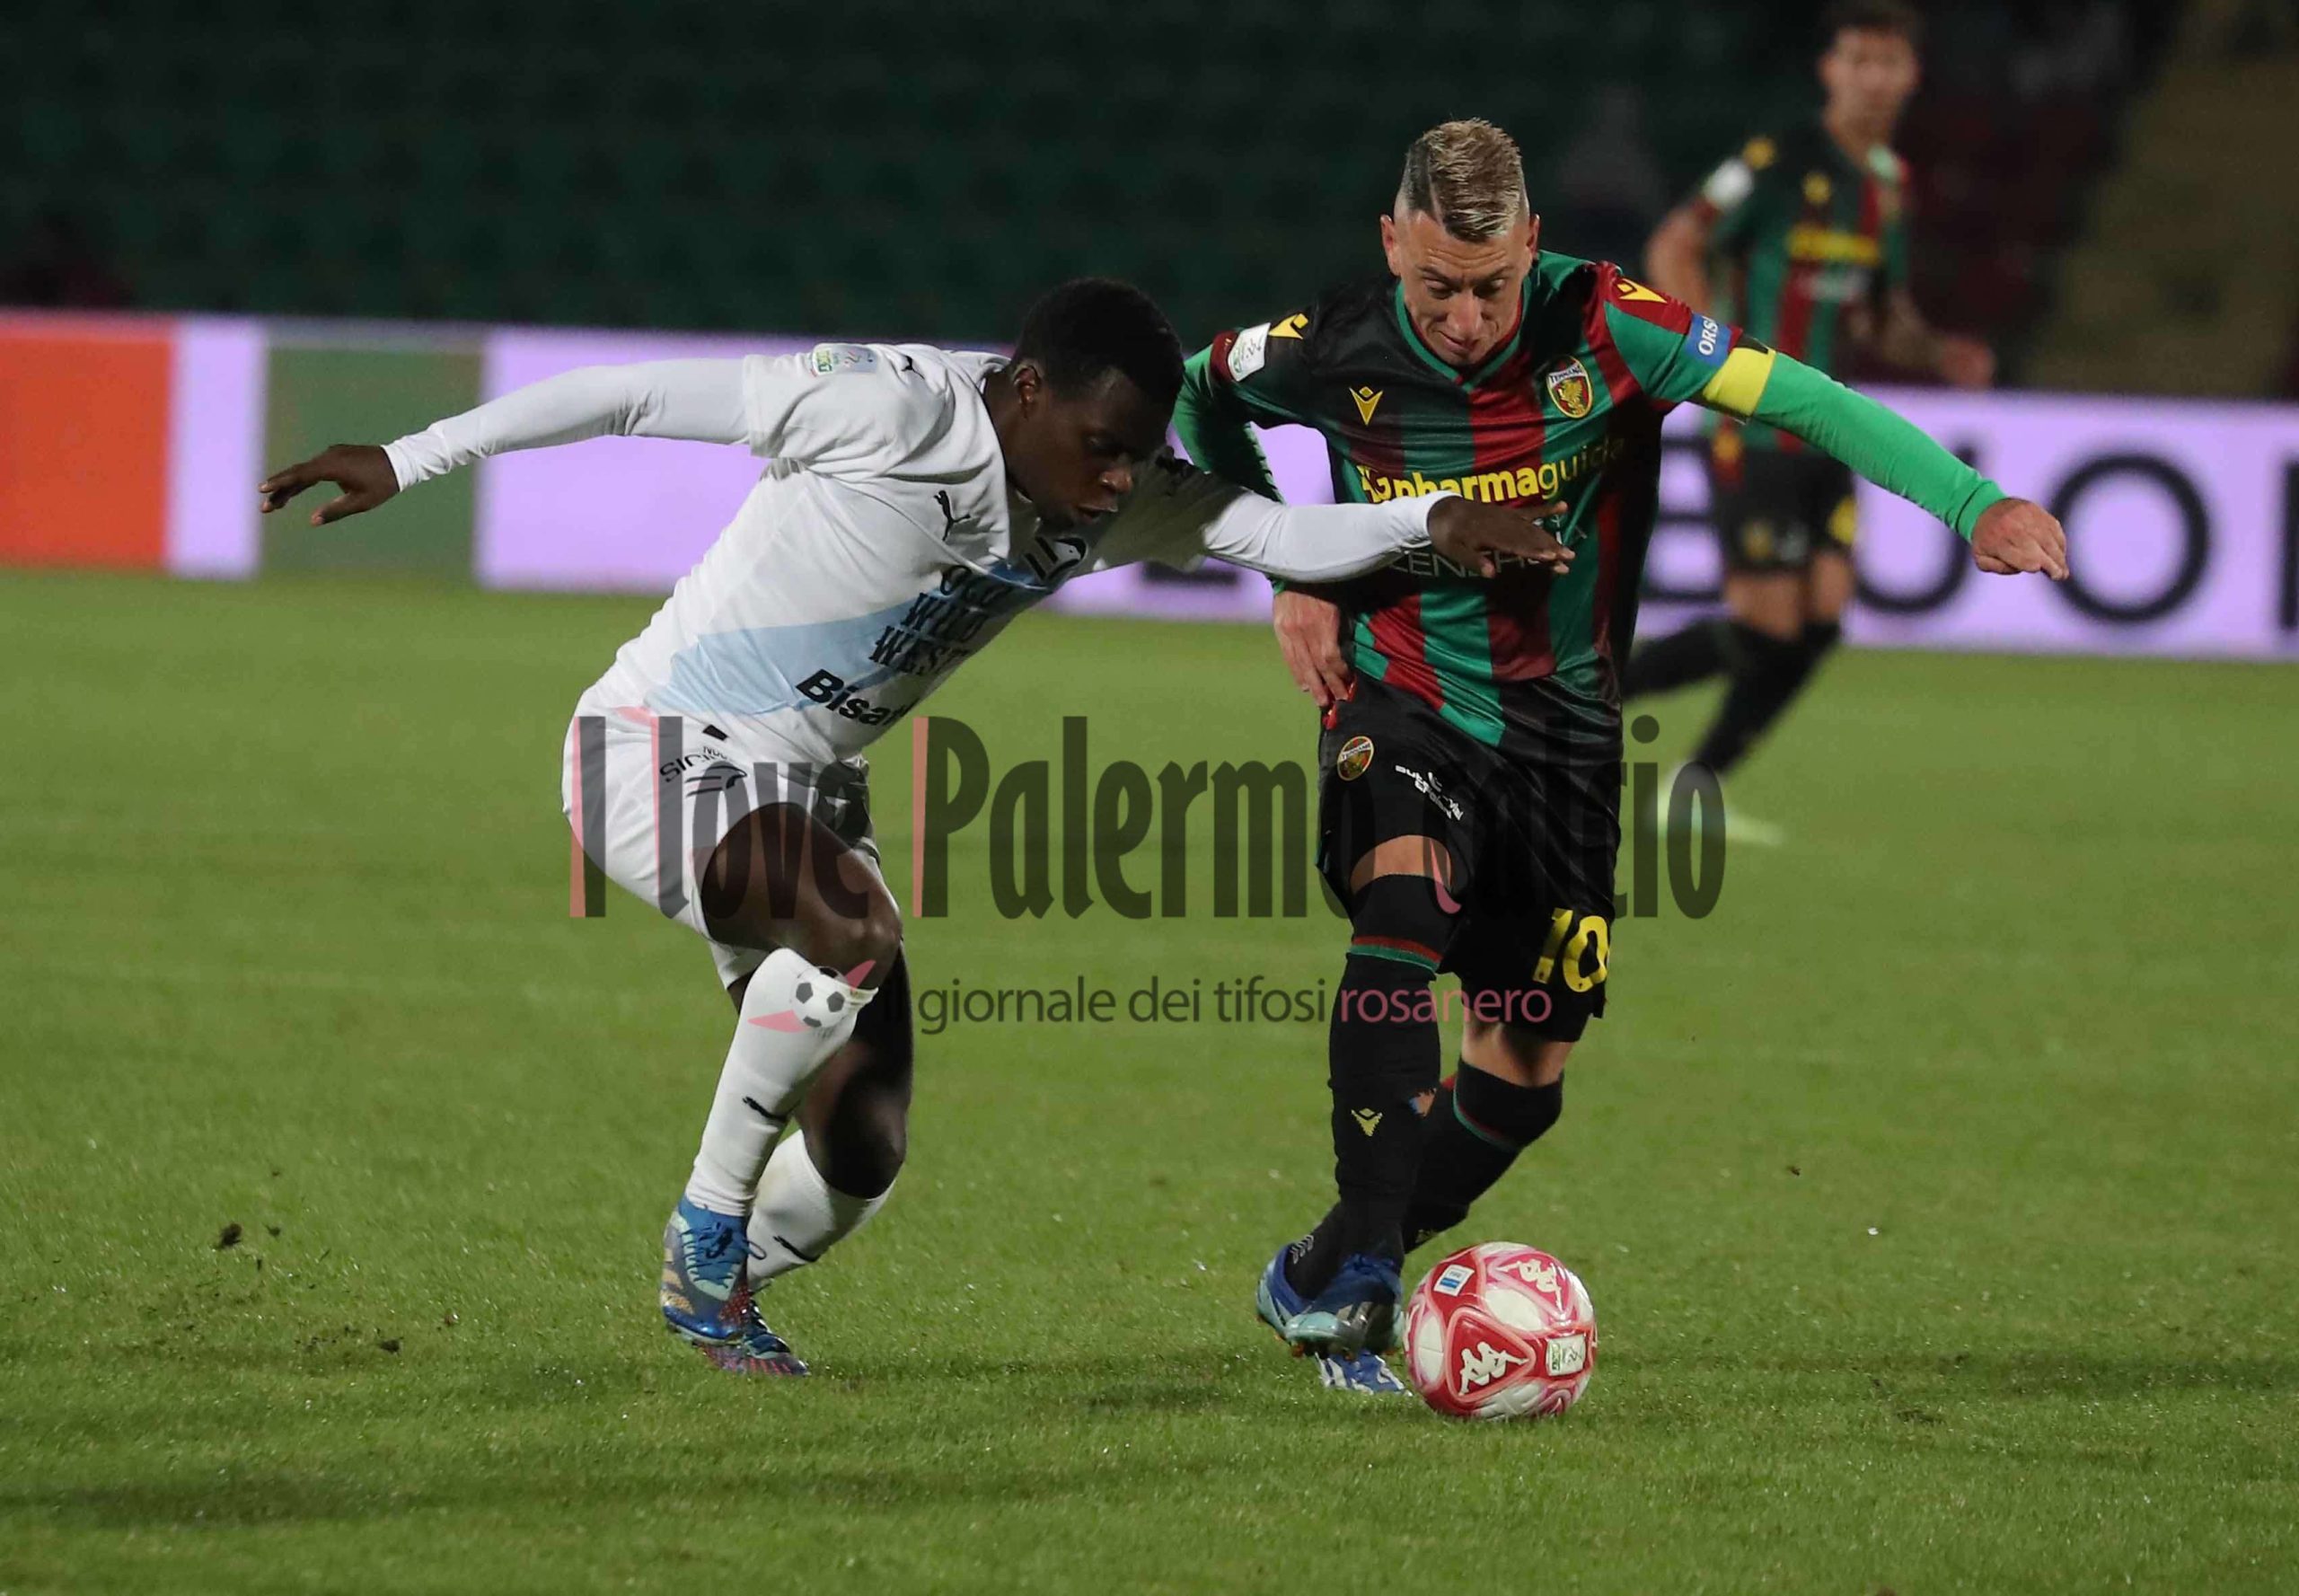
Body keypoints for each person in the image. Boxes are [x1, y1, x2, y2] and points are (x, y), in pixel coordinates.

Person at [257, 278, 1569, 1376]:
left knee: (862, 1153)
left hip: (813, 791)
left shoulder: (1106, 496)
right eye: (1099, 447)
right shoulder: (887, 408)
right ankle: (707, 1232)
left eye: (1134, 455)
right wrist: (409, 454)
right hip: (656, 744)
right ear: (1025, 393)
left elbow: (1274, 525)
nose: (1116, 481)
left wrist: (1435, 522)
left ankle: (715, 1291)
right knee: (849, 933)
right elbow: (635, 393)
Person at [1171, 119, 2066, 1393]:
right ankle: (1366, 1274)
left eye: (1491, 285)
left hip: (1569, 747)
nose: (1469, 317)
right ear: (1392, 248)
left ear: (1533, 244)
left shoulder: (1614, 325)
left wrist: (1976, 503)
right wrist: (1285, 568)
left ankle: (1321, 1265)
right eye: (1438, 286)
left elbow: (1801, 395)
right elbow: (1198, 393)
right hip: (1403, 698)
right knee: (1402, 902)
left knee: (1525, 1069)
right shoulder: (1327, 347)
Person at [1624, 0, 1990, 838]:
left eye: (1886, 62)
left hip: (1832, 431)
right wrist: (1709, 351)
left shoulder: (1886, 187)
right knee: (1767, 624)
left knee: (1820, 622)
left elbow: (1883, 313)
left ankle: (1693, 784)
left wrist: (1939, 354)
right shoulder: (1776, 161)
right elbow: (1676, 244)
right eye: (1856, 59)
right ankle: (1574, 697)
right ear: (1829, 69)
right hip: (1754, 429)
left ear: (1910, 76)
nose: (1871, 78)